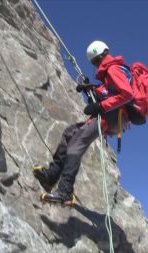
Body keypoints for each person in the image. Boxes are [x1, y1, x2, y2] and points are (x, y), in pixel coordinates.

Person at [33, 40, 133, 205]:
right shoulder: (110, 72)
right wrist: (91, 89)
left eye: (96, 60)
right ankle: (51, 176)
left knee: (77, 143)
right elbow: (109, 92)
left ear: (101, 55)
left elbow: (126, 94)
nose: (95, 64)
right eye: (94, 62)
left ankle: (65, 192)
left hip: (112, 116)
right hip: (111, 116)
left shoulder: (113, 69)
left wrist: (100, 105)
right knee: (69, 133)